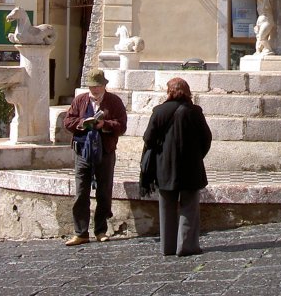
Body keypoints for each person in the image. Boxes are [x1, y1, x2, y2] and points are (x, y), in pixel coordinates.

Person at [141, 77, 212, 256]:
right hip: (190, 166)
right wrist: (198, 155)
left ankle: (168, 246)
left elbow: (148, 138)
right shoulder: (195, 112)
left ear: (169, 91)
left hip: (165, 166)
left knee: (166, 206)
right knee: (189, 206)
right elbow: (206, 138)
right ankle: (187, 246)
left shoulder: (159, 111)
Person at [62, 68, 127, 245]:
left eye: (97, 86)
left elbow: (121, 125)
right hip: (83, 150)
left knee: (104, 191)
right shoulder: (80, 100)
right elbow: (68, 121)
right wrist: (83, 124)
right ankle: (81, 232)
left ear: (104, 86)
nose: (94, 90)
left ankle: (101, 230)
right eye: (92, 86)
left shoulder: (114, 101)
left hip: (105, 151)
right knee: (81, 190)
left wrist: (103, 124)